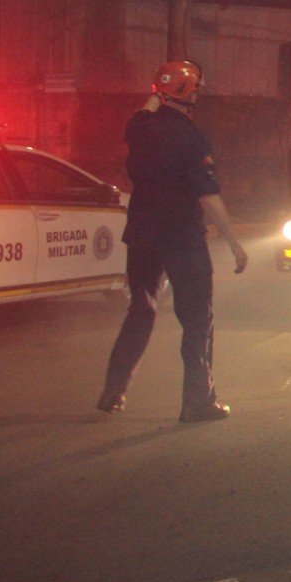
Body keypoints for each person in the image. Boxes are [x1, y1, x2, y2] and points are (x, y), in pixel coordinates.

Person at [97, 59, 249, 421]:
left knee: (141, 308)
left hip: (143, 234)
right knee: (197, 320)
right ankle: (198, 401)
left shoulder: (139, 126)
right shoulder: (191, 138)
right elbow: (208, 196)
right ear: (191, 93)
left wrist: (155, 99)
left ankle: (113, 391)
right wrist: (233, 241)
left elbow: (142, 114)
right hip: (182, 236)